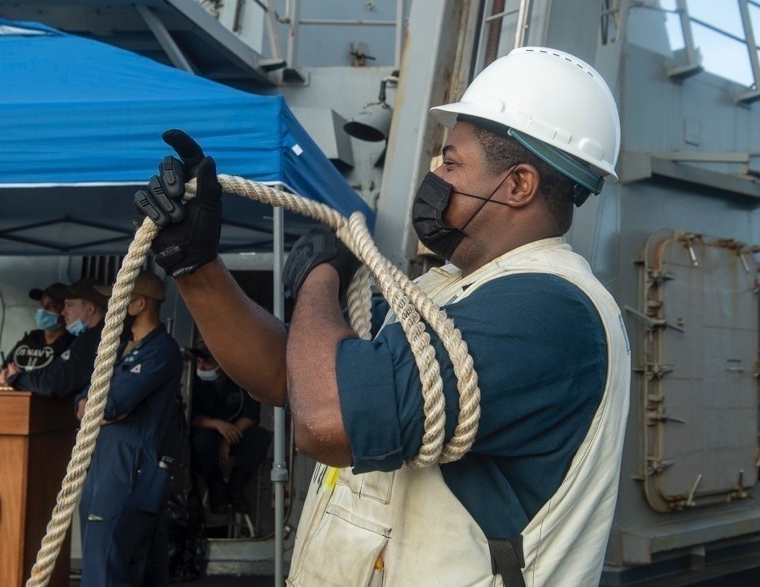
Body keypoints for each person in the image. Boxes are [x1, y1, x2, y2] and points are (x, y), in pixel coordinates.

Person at [135, 47, 630, 586]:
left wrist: (320, 277)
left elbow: (327, 419)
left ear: (517, 185)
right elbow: (292, 375)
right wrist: (196, 267)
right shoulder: (442, 290)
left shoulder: (549, 309)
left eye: (451, 160)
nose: (435, 174)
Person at [74, 270, 183, 586]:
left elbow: (108, 406)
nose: (110, 308)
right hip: (107, 463)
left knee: (109, 565)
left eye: (116, 301)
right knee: (107, 559)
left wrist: (96, 408)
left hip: (130, 466)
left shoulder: (161, 350)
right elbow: (84, 400)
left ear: (138, 304)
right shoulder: (120, 347)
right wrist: (94, 407)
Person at [189, 341, 271, 515]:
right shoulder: (193, 382)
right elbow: (190, 416)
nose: (202, 367)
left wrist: (228, 436)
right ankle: (215, 485)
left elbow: (251, 414)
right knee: (201, 440)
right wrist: (218, 425)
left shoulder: (238, 379)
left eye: (207, 362)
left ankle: (236, 486)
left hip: (233, 436)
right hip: (207, 436)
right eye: (198, 362)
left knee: (260, 437)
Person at [6, 278, 108, 399]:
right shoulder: (31, 338)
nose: (63, 312)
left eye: (69, 305)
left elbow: (53, 384)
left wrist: (16, 378)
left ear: (90, 309)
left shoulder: (90, 341)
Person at [0, 282, 74, 387]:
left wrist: (14, 380)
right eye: (42, 304)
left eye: (51, 306)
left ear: (65, 310)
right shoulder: (30, 338)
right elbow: (3, 372)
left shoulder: (73, 344)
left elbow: (52, 384)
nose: (43, 310)